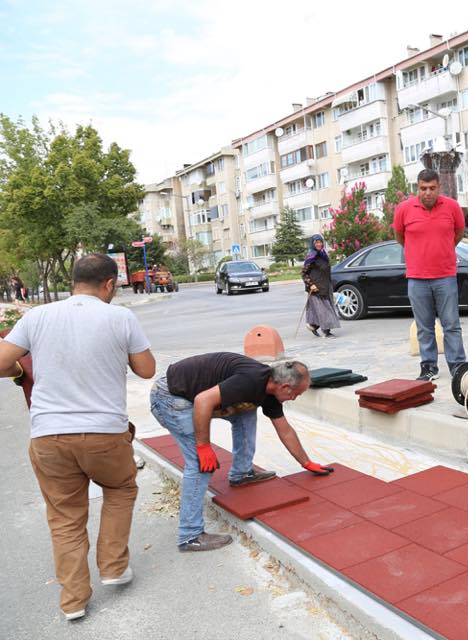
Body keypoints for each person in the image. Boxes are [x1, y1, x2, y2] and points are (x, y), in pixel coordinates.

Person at [0, 253, 156, 620]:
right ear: (108, 284)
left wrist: (22, 369)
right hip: (105, 434)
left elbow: (3, 361)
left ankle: (73, 602)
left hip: (49, 436)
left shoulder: (37, 316)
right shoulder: (120, 317)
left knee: (65, 516)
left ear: (73, 281)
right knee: (120, 489)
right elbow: (147, 370)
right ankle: (114, 567)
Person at [149, 353, 330, 552]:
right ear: (285, 387)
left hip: (191, 393)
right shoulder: (250, 380)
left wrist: (306, 463)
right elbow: (203, 401)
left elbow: (285, 429)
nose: (294, 398)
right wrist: (203, 446)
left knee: (247, 412)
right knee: (200, 465)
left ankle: (241, 473)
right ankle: (190, 535)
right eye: (297, 394)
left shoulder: (270, 390)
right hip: (171, 397)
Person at [393, 168, 467, 381]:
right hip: (417, 278)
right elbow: (400, 236)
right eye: (423, 188)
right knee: (424, 327)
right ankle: (428, 367)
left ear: (439, 187)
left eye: (432, 188)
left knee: (451, 325)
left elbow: (459, 233)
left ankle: (457, 366)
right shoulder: (403, 209)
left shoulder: (452, 207)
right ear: (417, 188)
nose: (427, 192)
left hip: (445, 276)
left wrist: (443, 249)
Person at [301, 234, 340, 338]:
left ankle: (314, 325)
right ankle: (326, 332)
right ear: (313, 244)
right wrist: (311, 285)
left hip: (326, 286)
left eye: (320, 242)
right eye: (316, 242)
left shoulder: (323, 254)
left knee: (324, 309)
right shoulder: (311, 256)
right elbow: (304, 273)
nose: (319, 244)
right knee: (325, 310)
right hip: (316, 288)